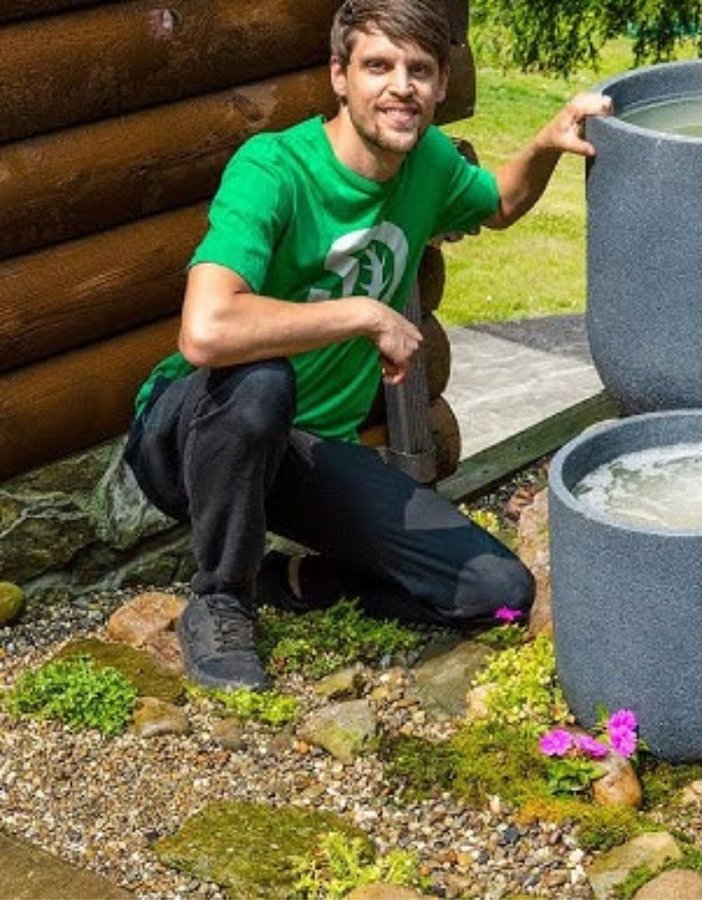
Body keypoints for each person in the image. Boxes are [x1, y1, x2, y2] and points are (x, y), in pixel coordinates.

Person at [122, 0, 611, 690]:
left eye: (419, 70)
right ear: (339, 76)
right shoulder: (274, 168)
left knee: (495, 591)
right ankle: (219, 599)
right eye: (377, 66)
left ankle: (282, 578)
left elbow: (497, 203)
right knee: (263, 381)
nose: (400, 86)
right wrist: (361, 314)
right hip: (191, 433)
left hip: (308, 450)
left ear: (441, 84)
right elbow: (206, 331)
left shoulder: (431, 162)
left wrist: (545, 142)